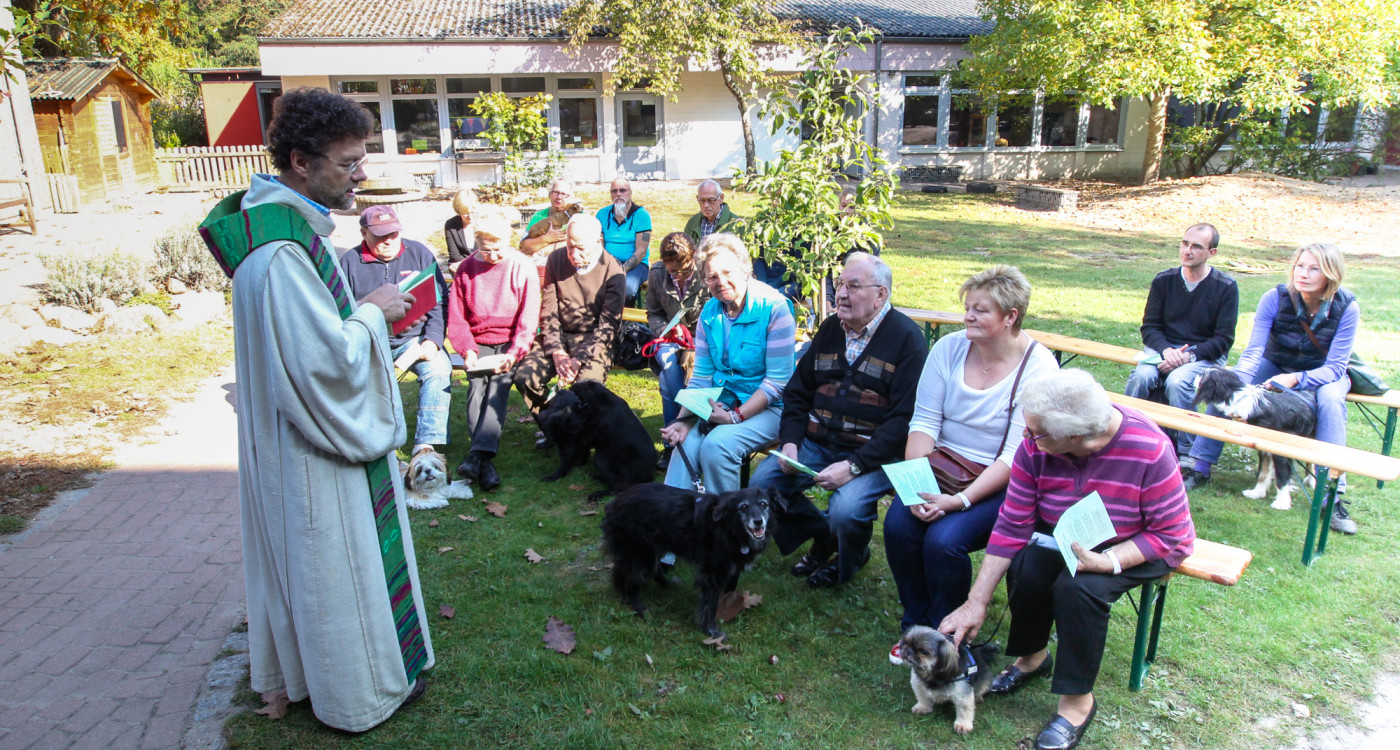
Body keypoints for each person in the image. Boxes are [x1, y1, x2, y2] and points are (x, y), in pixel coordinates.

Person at [201, 87, 432, 732]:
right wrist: (373, 313)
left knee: (326, 569)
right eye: (348, 162)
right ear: (301, 162)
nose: (362, 175)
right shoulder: (279, 254)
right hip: (312, 448)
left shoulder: (285, 233)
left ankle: (317, 678)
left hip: (295, 433)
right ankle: (357, 696)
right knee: (337, 567)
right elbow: (320, 366)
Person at [940, 369, 1195, 750]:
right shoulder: (1036, 445)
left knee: (1079, 588)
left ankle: (1077, 702)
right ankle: (1033, 658)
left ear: (1077, 437)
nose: (1026, 438)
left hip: (1139, 543)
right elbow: (1013, 523)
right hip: (1071, 533)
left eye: (1036, 433)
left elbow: (1172, 533)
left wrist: (1109, 561)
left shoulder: (1149, 448)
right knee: (1025, 564)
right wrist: (975, 602)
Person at [883, 265, 1059, 635]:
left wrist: (960, 501)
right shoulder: (948, 348)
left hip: (1000, 481)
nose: (968, 316)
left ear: (1011, 317)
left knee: (945, 540)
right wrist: (915, 484)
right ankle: (915, 623)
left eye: (980, 309)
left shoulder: (1038, 367)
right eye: (968, 307)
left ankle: (945, 633)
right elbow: (924, 422)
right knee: (900, 524)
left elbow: (1016, 456)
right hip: (940, 466)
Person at [753, 253, 927, 588]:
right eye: (841, 284)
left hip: (873, 454)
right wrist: (790, 442)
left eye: (854, 286)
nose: (841, 294)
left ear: (881, 295)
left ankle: (851, 554)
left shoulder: (908, 341)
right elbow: (798, 392)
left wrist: (854, 466)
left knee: (846, 511)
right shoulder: (832, 328)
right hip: (817, 444)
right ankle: (824, 534)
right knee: (764, 485)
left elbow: (902, 421)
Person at [1182, 242, 1361, 534]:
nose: (1303, 273)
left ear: (1331, 273)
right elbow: (1254, 351)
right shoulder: (1274, 298)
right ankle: (1200, 466)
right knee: (1225, 387)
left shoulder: (1347, 307)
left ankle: (1331, 493)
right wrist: (1237, 379)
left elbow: (1335, 367)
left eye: (1314, 268)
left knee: (1330, 402)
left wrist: (1296, 379)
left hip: (1324, 372)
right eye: (1300, 265)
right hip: (1275, 362)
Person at [659, 233, 796, 493]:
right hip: (723, 402)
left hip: (772, 408)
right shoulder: (709, 314)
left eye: (727, 271)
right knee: (684, 443)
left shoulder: (775, 310)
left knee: (717, 447)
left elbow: (777, 384)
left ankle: (725, 524)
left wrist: (735, 417)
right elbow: (700, 378)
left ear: (744, 269)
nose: (721, 282)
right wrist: (681, 421)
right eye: (712, 276)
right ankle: (675, 519)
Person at [337, 204, 453, 455]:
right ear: (363, 233)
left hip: (414, 339)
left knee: (439, 369)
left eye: (393, 234)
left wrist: (432, 339)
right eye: (380, 236)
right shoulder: (348, 262)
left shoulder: (419, 253)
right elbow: (340, 312)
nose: (389, 241)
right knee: (360, 380)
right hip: (370, 342)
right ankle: (374, 443)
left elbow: (439, 300)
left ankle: (426, 444)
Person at [1123, 223, 1239, 460]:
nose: (1187, 250)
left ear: (1211, 253)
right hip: (1163, 349)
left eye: (1196, 246)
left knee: (1178, 382)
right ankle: (1126, 433)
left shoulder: (1225, 287)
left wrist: (1187, 356)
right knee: (1142, 376)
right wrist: (1167, 351)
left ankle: (1186, 452)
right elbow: (1150, 327)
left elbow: (1223, 340)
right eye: (1185, 244)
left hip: (1202, 355)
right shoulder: (1164, 280)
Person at [513, 213, 626, 448]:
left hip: (595, 340)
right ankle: (552, 428)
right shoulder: (555, 260)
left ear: (598, 243)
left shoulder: (613, 271)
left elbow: (607, 326)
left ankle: (580, 442)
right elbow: (549, 311)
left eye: (581, 248)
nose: (574, 255)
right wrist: (556, 351)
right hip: (559, 336)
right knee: (525, 377)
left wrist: (579, 359)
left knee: (586, 389)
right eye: (569, 246)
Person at [447, 208, 540, 491]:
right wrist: (468, 350)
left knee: (498, 386)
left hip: (510, 343)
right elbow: (458, 317)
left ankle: (476, 456)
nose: (493, 256)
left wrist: (514, 353)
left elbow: (528, 319)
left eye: (498, 249)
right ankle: (484, 461)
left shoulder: (522, 267)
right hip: (479, 342)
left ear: (508, 241)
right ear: (476, 243)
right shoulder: (465, 269)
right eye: (486, 250)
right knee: (476, 388)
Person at [646, 231, 712, 467]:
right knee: (669, 364)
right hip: (670, 338)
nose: (680, 276)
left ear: (694, 257)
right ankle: (676, 441)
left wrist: (694, 344)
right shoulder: (656, 274)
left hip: (704, 339)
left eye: (685, 270)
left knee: (671, 378)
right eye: (674, 272)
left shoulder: (706, 274)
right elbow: (652, 313)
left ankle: (680, 438)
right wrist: (666, 329)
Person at [597, 176, 653, 304]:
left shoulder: (642, 215)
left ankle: (626, 322)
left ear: (630, 193)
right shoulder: (602, 214)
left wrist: (620, 270)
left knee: (626, 288)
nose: (618, 194)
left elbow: (641, 251)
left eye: (623, 190)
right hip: (608, 263)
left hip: (636, 265)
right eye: (614, 191)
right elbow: (598, 246)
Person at [519, 178, 576, 259]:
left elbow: (578, 243)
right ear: (549, 194)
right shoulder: (539, 216)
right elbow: (524, 248)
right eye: (555, 192)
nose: (559, 197)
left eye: (563, 194)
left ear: (570, 197)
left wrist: (541, 251)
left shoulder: (577, 217)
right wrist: (547, 238)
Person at [442, 188, 478, 275]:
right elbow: (454, 255)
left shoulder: (484, 222)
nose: (470, 216)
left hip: (481, 263)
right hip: (460, 265)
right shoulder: (451, 225)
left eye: (472, 212)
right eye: (465, 213)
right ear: (458, 211)